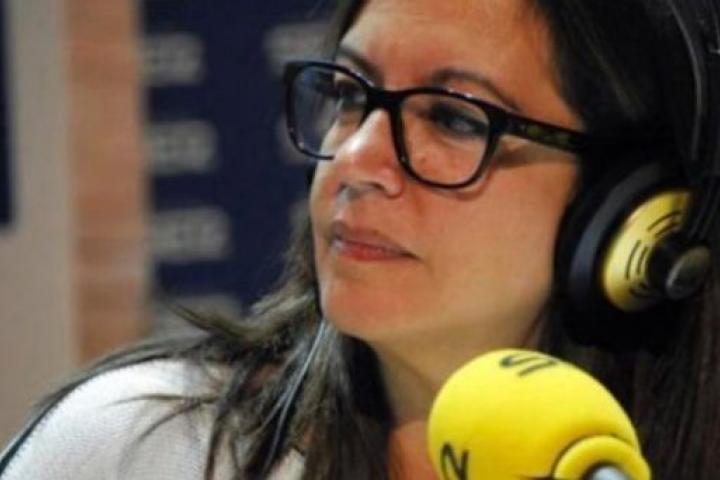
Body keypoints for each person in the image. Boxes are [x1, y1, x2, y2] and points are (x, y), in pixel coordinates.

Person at [2, 0, 720, 478]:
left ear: (631, 208)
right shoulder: (139, 450)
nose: (355, 160)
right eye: (351, 95)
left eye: (453, 118)